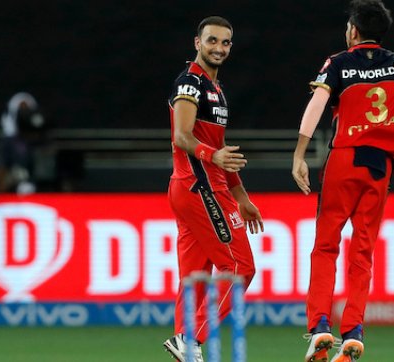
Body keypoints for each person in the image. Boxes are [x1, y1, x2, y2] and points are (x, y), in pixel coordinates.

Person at [292, 1, 394, 361]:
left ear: (353, 29)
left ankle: (320, 324)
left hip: (343, 158)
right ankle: (353, 330)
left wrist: (300, 154)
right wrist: (387, 138)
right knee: (363, 250)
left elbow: (317, 104)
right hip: (379, 165)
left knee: (326, 245)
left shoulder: (339, 62)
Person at [162, 16, 264, 362]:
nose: (219, 48)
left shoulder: (216, 90)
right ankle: (191, 338)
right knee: (240, 267)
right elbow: (182, 136)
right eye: (212, 41)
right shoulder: (189, 82)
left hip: (198, 187)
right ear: (197, 42)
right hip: (199, 187)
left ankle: (186, 347)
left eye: (225, 43)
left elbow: (219, 149)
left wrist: (242, 197)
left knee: (195, 278)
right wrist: (212, 155)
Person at [0, 92, 55, 194]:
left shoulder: (45, 141)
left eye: (28, 110)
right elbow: (1, 170)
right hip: (14, 192)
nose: (25, 115)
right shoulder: (9, 142)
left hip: (43, 193)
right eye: (22, 111)